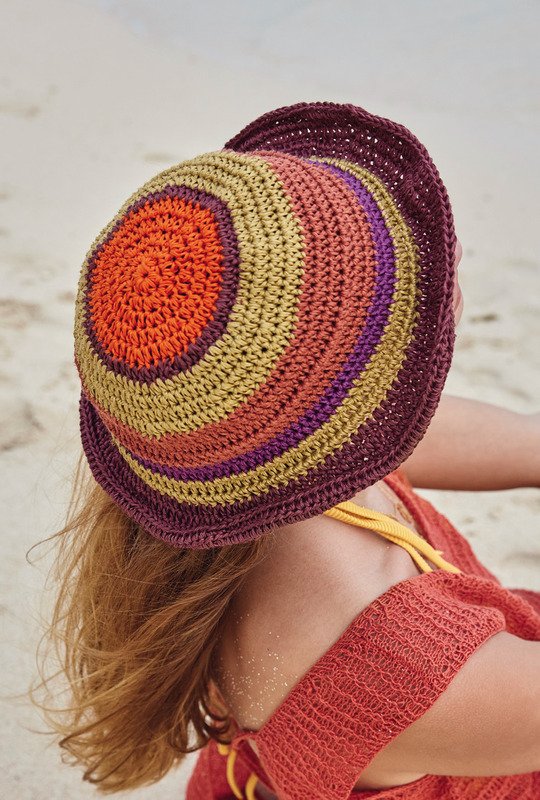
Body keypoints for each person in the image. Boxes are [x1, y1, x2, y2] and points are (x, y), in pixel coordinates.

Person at [32, 102, 540, 799]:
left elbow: (433, 432)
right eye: (410, 277)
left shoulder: (249, 478)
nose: (444, 274)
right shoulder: (401, 672)